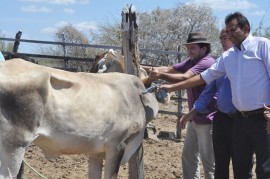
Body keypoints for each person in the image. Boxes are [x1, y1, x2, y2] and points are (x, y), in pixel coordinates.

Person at [159, 12, 270, 179]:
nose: (229, 35)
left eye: (233, 31)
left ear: (246, 28)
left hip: (263, 118)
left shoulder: (262, 46)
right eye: (227, 32)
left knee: (264, 168)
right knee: (240, 167)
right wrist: (173, 88)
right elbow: (204, 77)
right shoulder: (228, 57)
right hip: (241, 119)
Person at [180, 28, 253, 179]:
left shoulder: (248, 61)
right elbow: (208, 91)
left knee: (242, 164)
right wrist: (192, 112)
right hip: (222, 119)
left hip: (243, 119)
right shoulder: (221, 62)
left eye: (225, 38)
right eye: (220, 38)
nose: (222, 41)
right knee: (220, 164)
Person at [144, 32, 216, 179]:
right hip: (194, 117)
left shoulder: (206, 62)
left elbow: (185, 77)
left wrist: (159, 75)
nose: (189, 51)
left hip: (208, 119)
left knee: (209, 162)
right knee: (189, 157)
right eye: (188, 48)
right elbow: (169, 68)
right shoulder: (191, 61)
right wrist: (141, 66)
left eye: (193, 48)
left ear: (204, 49)